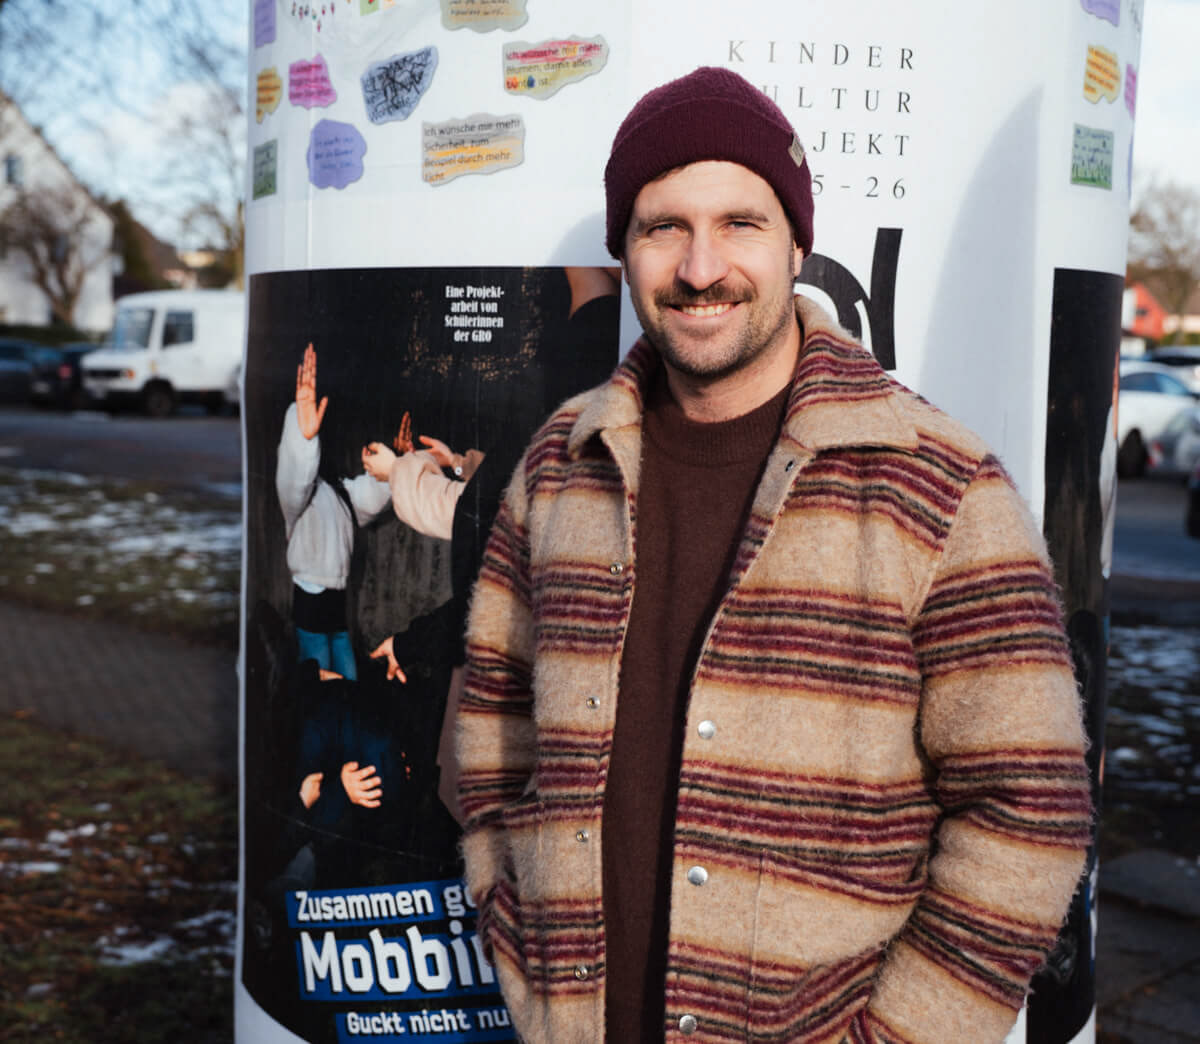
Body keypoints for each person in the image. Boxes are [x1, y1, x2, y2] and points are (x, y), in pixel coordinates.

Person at [455, 66, 1091, 1043]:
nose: (701, 266)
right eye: (663, 226)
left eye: (741, 223)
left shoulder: (942, 486)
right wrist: (510, 925)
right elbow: (491, 718)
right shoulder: (557, 464)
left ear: (799, 242)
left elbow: (1028, 814)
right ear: (624, 248)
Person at [275, 342, 392, 680]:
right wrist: (302, 437)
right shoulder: (296, 496)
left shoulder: (338, 489)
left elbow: (369, 498)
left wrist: (394, 468)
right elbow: (293, 475)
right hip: (310, 602)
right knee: (320, 690)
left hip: (337, 604)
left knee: (349, 683)